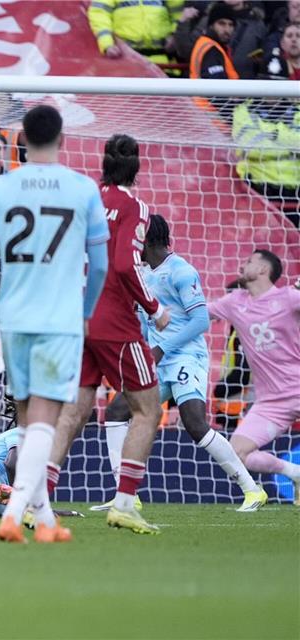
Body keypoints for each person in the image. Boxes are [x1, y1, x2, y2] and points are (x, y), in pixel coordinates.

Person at [0, 106, 111, 542]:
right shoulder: (83, 189)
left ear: (21, 140)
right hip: (59, 318)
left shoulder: (1, 187)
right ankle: (14, 513)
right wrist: (85, 313)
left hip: (13, 317)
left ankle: (44, 520)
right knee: (48, 416)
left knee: (27, 420)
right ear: (62, 139)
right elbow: (99, 265)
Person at [35, 135, 166, 529]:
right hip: (114, 321)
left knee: (74, 410)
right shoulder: (135, 207)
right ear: (136, 168)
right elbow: (126, 264)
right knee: (148, 409)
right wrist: (155, 308)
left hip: (75, 315)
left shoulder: (84, 198)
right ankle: (124, 504)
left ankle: (37, 502)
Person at [96, 215, 266, 512]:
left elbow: (200, 320)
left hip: (187, 356)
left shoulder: (182, 271)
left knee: (194, 423)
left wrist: (162, 348)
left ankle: (252, 489)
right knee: (116, 410)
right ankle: (126, 496)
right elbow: (144, 318)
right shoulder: (142, 273)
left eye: (135, 236)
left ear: (148, 239)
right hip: (157, 360)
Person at [208, 249, 300, 503]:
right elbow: (199, 314)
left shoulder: (290, 298)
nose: (242, 265)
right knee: (236, 452)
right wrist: (157, 311)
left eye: (249, 262)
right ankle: (296, 473)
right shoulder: (234, 302)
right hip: (270, 402)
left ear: (262, 270)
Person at [231, 86, 300, 226]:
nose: (271, 92)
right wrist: (286, 140)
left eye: (276, 84)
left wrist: (275, 133)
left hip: (295, 187)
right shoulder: (243, 111)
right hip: (257, 186)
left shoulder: (296, 111)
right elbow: (251, 146)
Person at [87, 0, 183, 65]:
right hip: (125, 60)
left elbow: (179, 13)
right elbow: (99, 15)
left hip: (164, 61)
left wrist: (174, 35)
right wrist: (107, 44)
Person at [190, 3, 240, 123]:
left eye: (230, 25)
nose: (226, 29)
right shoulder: (211, 49)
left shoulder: (209, 45)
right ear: (211, 25)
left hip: (206, 119)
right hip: (214, 122)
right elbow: (217, 93)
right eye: (221, 23)